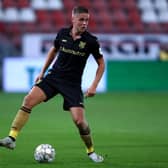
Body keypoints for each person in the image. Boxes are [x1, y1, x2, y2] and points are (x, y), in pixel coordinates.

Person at [0, 6, 105, 163]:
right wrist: (42, 72)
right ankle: (12, 138)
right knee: (28, 100)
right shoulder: (62, 33)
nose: (84, 23)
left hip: (72, 84)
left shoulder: (91, 41)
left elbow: (101, 64)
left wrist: (94, 86)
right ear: (73, 19)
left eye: (87, 20)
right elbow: (53, 50)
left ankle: (91, 152)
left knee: (80, 122)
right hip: (54, 77)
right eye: (81, 19)